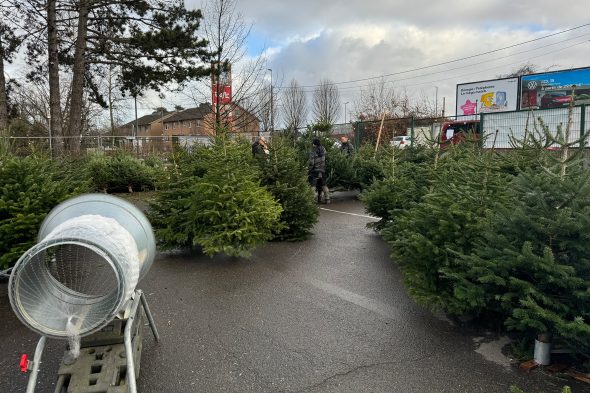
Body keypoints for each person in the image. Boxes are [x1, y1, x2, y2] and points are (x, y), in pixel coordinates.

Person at [308, 138, 330, 204]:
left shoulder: (313, 151)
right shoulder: (323, 149)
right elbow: (326, 158)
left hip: (315, 171)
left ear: (314, 144)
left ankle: (312, 200)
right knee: (324, 185)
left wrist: (309, 169)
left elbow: (312, 162)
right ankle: (327, 198)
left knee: (313, 186)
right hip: (322, 170)